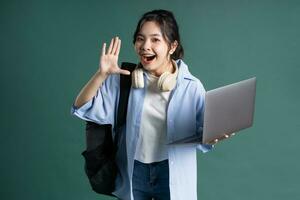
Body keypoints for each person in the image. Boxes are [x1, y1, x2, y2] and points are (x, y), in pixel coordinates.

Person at [71, 9, 214, 200]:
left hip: (172, 172)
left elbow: (203, 135)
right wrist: (102, 74)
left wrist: (213, 136)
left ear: (172, 46)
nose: (145, 46)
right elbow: (82, 106)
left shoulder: (191, 86)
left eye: (155, 40)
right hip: (133, 170)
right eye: (140, 39)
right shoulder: (124, 80)